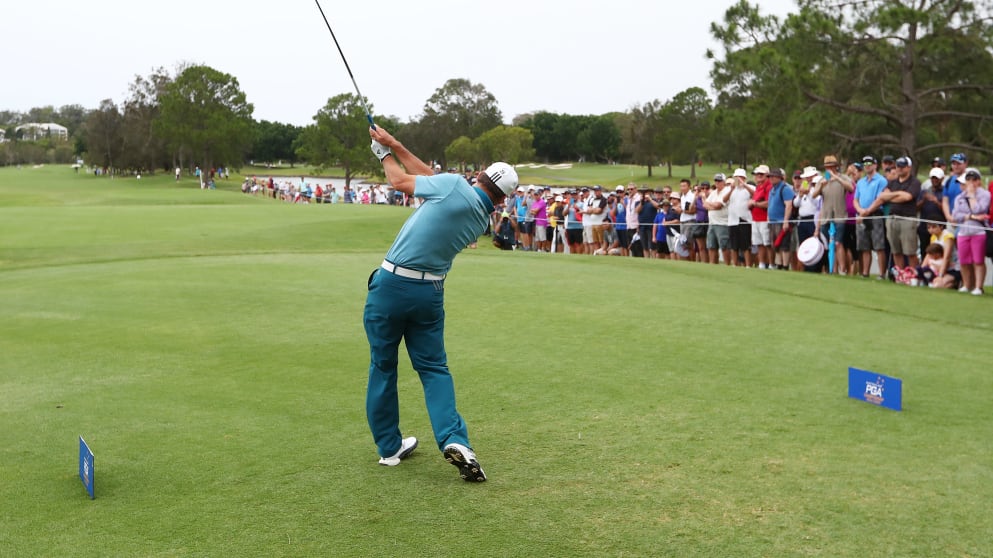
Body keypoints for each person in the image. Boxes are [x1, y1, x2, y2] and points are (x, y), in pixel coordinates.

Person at [363, 126, 517, 482]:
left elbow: (402, 182)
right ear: (502, 199)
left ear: (480, 175)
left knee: (383, 367)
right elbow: (435, 179)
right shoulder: (480, 218)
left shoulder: (452, 188)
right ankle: (454, 439)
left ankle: (389, 448)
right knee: (434, 370)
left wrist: (381, 153)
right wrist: (396, 144)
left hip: (391, 286)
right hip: (430, 294)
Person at [810, 155, 855, 274]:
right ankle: (832, 269)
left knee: (838, 243)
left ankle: (842, 270)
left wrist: (837, 178)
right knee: (829, 244)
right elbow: (813, 195)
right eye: (827, 167)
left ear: (836, 167)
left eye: (831, 167)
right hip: (825, 216)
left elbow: (850, 188)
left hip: (839, 215)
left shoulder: (843, 177)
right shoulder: (822, 180)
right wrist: (821, 185)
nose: (829, 169)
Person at [950, 167, 989, 295]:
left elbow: (979, 209)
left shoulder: (985, 194)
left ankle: (978, 287)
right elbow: (956, 215)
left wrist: (972, 196)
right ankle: (967, 285)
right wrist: (970, 216)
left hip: (978, 231)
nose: (971, 182)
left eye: (974, 179)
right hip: (963, 231)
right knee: (964, 260)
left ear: (979, 181)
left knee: (978, 260)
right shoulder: (960, 197)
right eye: (968, 180)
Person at [853, 155, 889, 278]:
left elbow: (880, 199)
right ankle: (865, 273)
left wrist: (867, 211)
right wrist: (860, 211)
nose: (867, 166)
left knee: (879, 246)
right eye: (865, 164)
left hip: (875, 214)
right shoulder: (861, 182)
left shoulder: (881, 180)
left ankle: (882, 273)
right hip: (862, 215)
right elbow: (855, 200)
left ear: (875, 165)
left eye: (869, 163)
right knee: (864, 246)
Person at [767, 168, 795, 270]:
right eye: (770, 176)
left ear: (780, 177)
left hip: (781, 221)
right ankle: (778, 264)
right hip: (773, 221)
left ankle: (785, 265)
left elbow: (789, 205)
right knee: (776, 245)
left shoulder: (785, 189)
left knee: (784, 245)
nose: (771, 178)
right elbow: (770, 204)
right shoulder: (772, 190)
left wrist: (786, 221)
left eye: (774, 176)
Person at [748, 165, 773, 268]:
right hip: (756, 218)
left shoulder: (769, 186)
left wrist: (754, 204)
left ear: (767, 175)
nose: (758, 176)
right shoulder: (759, 186)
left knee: (767, 243)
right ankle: (762, 263)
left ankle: (771, 264)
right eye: (757, 174)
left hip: (765, 218)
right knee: (759, 243)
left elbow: (768, 203)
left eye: (761, 174)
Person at [704, 174, 732, 265]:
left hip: (723, 223)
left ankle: (727, 265)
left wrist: (711, 205)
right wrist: (713, 206)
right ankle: (713, 265)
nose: (717, 182)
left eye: (719, 181)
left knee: (724, 246)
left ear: (724, 182)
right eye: (716, 180)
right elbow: (705, 205)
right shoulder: (714, 192)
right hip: (712, 223)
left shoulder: (727, 191)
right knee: (711, 246)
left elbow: (718, 205)